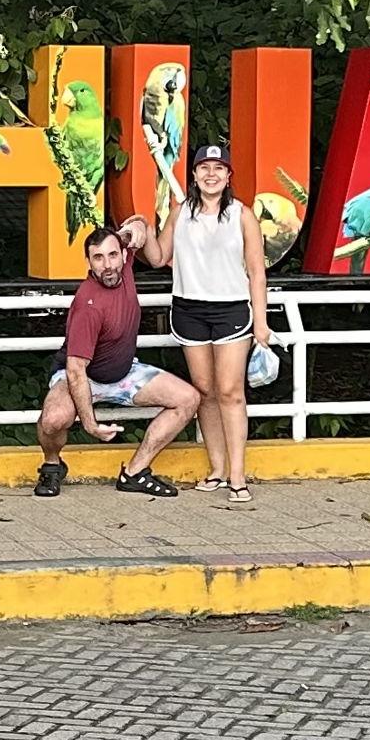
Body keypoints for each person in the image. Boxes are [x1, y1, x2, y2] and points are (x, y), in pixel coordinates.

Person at [124, 142, 271, 509]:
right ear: (193, 175)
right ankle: (217, 468)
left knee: (230, 391)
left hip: (231, 311)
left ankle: (238, 475)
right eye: (204, 168)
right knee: (204, 390)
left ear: (228, 176)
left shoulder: (242, 215)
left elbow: (256, 271)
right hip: (189, 310)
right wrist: (141, 229)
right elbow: (158, 257)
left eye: (218, 168)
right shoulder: (180, 212)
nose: (210, 174)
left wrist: (262, 323)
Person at [33, 223, 200, 498]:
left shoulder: (127, 262)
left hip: (123, 374)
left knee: (188, 399)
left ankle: (134, 472)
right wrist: (90, 424)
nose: (107, 265)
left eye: (112, 255)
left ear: (125, 255)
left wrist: (132, 228)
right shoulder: (88, 304)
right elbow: (76, 370)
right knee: (52, 420)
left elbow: (142, 227)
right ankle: (52, 465)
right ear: (88, 262)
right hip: (81, 377)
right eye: (98, 258)